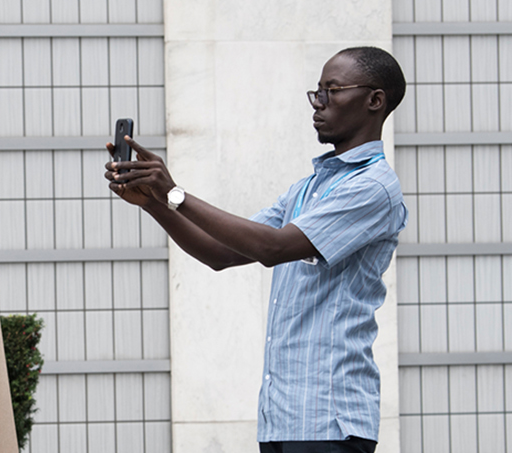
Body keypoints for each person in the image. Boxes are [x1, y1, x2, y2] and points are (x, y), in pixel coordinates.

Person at [105, 47, 408, 453]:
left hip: (331, 423)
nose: (318, 104)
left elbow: (272, 247)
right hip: (282, 420)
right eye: (316, 92)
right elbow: (220, 254)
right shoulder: (306, 189)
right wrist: (154, 203)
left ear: (375, 100)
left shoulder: (373, 188)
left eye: (331, 91)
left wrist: (174, 193)